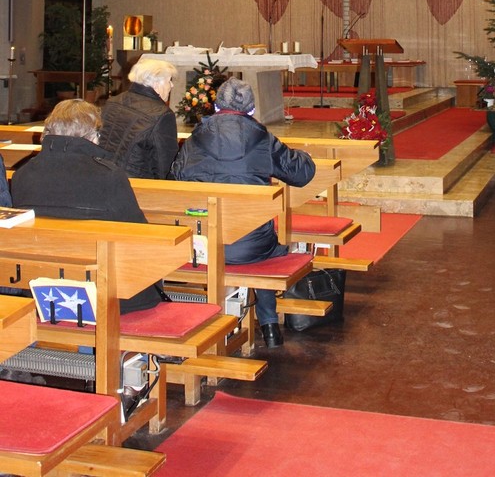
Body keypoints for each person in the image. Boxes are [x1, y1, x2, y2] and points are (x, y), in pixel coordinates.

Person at [171, 77, 315, 348]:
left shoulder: (194, 139)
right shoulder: (262, 138)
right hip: (250, 247)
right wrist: (304, 156)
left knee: (255, 238)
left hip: (201, 247)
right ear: (252, 110)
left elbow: (175, 178)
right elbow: (301, 174)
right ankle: (270, 327)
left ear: (215, 107)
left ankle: (208, 324)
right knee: (267, 245)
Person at [11, 98, 163, 313]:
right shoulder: (109, 176)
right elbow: (139, 234)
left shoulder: (23, 174)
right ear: (93, 136)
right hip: (105, 292)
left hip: (42, 290)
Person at [99, 56, 178, 178]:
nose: (171, 85)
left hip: (102, 174)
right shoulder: (162, 115)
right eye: (169, 81)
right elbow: (164, 165)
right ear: (156, 84)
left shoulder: (113, 102)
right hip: (135, 183)